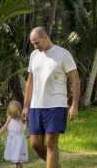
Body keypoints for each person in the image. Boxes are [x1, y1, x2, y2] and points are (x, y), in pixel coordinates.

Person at [22, 26, 80, 168]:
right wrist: (25, 106)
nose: (35, 46)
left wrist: (74, 105)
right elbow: (30, 82)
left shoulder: (63, 54)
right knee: (35, 144)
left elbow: (75, 80)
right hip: (36, 106)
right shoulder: (34, 55)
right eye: (33, 43)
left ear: (46, 37)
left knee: (50, 143)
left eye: (37, 42)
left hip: (56, 104)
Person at [0, 100, 29, 167]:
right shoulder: (10, 118)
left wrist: (28, 131)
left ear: (19, 112)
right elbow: (4, 127)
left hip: (19, 141)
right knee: (16, 160)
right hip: (12, 141)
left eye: (15, 115)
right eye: (12, 115)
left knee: (19, 159)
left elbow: (28, 125)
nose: (14, 117)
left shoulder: (22, 118)